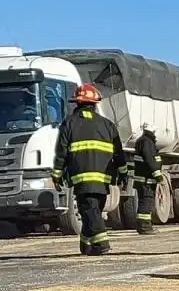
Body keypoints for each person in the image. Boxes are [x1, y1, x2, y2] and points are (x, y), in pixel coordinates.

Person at [52, 83, 126, 256]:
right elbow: (119, 153)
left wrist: (57, 174)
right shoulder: (108, 125)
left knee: (90, 211)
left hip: (82, 180)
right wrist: (123, 173)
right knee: (93, 211)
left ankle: (102, 244)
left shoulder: (69, 124)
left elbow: (61, 152)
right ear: (95, 103)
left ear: (77, 103)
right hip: (103, 180)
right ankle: (87, 245)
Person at [132, 122, 163, 235]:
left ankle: (143, 226)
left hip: (143, 179)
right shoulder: (147, 142)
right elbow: (150, 159)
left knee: (144, 202)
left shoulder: (142, 141)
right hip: (146, 179)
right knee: (146, 202)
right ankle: (145, 227)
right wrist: (157, 174)